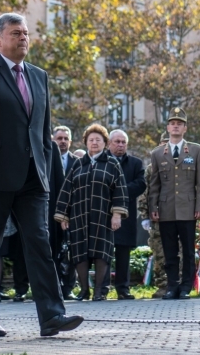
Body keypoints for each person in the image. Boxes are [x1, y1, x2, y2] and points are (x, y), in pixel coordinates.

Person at [0, 12, 82, 337]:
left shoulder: (39, 76)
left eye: (26, 32)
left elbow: (43, 132)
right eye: (16, 33)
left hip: (32, 178)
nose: (23, 37)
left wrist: (46, 173)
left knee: (40, 244)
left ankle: (52, 316)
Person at [55, 124, 128, 301]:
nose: (94, 143)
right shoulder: (78, 164)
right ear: (86, 142)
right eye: (91, 140)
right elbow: (66, 190)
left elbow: (120, 190)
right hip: (79, 216)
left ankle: (99, 292)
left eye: (98, 140)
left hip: (103, 216)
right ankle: (84, 290)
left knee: (101, 252)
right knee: (79, 252)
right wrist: (63, 214)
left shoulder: (112, 164)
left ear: (105, 143)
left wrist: (117, 214)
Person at [148, 108, 200, 300]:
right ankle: (172, 285)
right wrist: (153, 207)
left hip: (188, 209)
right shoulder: (157, 153)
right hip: (166, 209)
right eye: (172, 123)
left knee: (188, 251)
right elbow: (154, 185)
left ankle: (186, 286)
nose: (175, 126)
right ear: (167, 127)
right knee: (169, 250)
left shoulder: (196, 150)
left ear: (185, 128)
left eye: (179, 123)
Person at [101, 129, 145, 299]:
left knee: (123, 253)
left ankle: (123, 289)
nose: (120, 145)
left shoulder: (135, 163)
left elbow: (141, 184)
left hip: (126, 215)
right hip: (104, 213)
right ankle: (102, 289)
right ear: (109, 143)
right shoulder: (102, 161)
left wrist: (118, 191)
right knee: (104, 253)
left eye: (123, 142)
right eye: (117, 141)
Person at [138, 131, 172, 297]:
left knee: (177, 252)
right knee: (159, 253)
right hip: (157, 217)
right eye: (163, 144)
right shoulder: (152, 168)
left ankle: (175, 284)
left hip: (176, 215)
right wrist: (144, 215)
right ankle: (162, 285)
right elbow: (145, 193)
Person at [48, 132, 77, 300]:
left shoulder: (76, 161)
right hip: (41, 211)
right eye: (59, 138)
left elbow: (61, 186)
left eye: (66, 138)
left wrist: (63, 214)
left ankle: (67, 287)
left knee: (66, 251)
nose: (63, 141)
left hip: (61, 214)